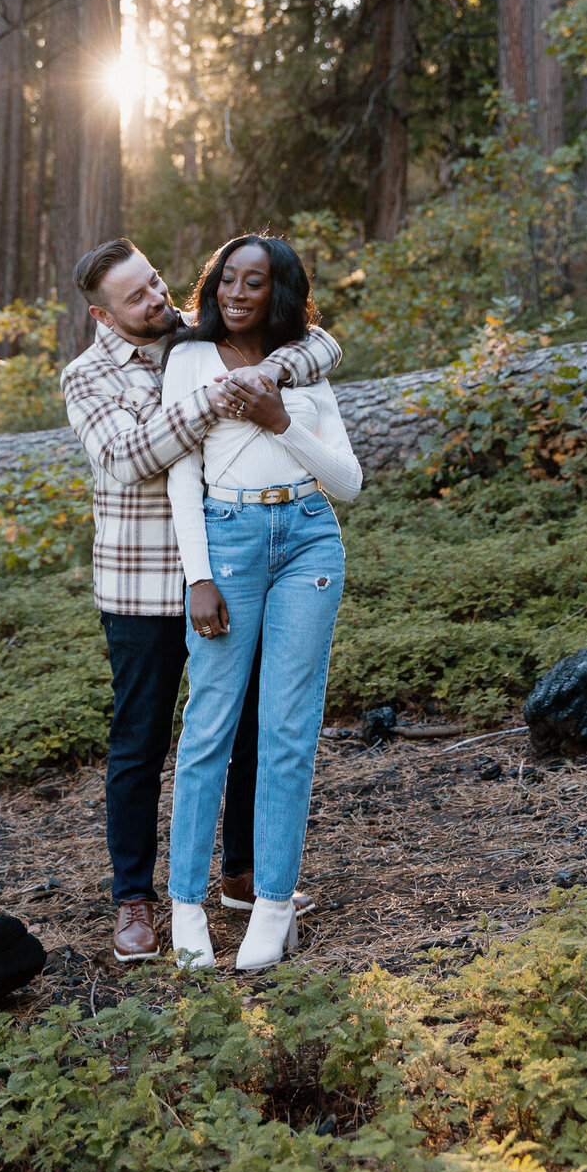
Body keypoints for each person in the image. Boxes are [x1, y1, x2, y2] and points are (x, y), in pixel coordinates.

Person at [60, 237, 342, 963]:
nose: (156, 300)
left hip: (230, 560)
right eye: (136, 297)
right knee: (144, 743)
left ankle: (243, 874)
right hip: (144, 583)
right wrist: (221, 397)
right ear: (102, 313)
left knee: (250, 726)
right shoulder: (87, 376)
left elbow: (319, 345)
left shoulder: (198, 335)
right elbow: (126, 460)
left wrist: (270, 373)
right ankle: (134, 900)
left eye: (155, 282)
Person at [162, 234, 362, 974]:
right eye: (226, 280)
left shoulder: (300, 361)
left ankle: (274, 907)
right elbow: (183, 475)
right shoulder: (188, 359)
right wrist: (198, 577)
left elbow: (348, 482)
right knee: (209, 726)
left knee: (287, 732)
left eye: (252, 283)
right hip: (228, 544)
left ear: (275, 293)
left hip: (310, 540)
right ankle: (186, 904)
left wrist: (283, 422)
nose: (235, 294)